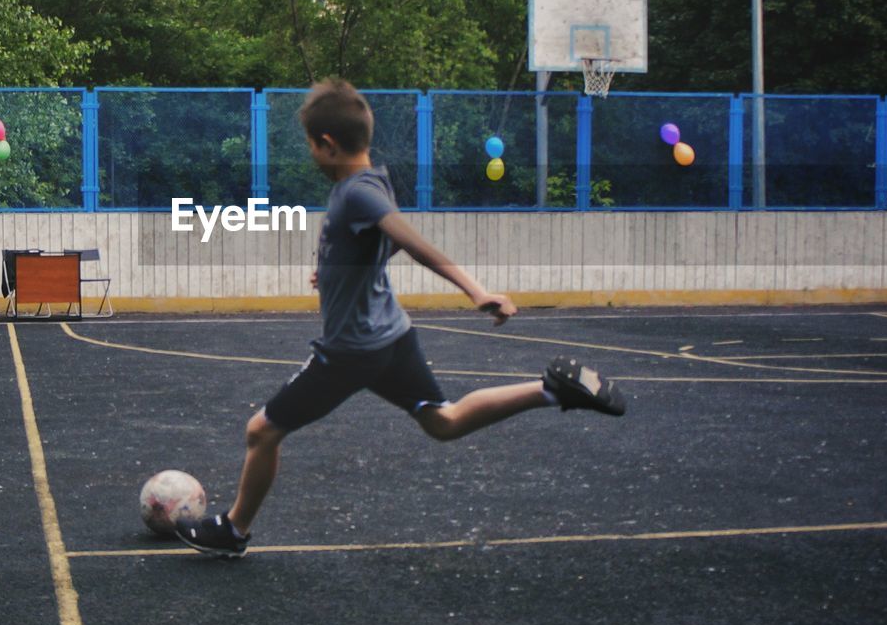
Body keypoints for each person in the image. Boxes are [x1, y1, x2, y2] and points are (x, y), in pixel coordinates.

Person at [175, 79, 625, 557]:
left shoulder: (355, 194)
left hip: (352, 350)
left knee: (261, 431)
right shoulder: (374, 180)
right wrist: (331, 275)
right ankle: (552, 389)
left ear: (327, 145)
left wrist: (476, 291)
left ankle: (234, 531)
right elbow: (375, 246)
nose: (310, 154)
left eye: (311, 145)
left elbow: (409, 241)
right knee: (443, 421)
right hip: (392, 337)